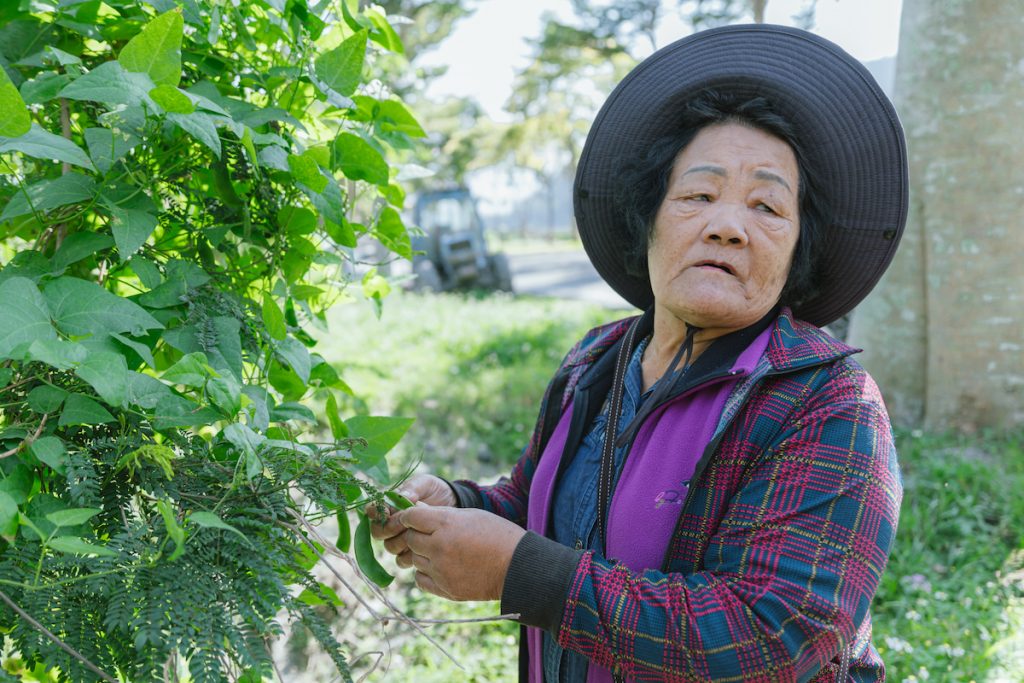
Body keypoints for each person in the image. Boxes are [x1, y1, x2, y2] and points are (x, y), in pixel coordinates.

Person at [371, 24, 906, 682]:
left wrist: (524, 574)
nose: (727, 225)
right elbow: (540, 503)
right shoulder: (597, 361)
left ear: (798, 248)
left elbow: (771, 638)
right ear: (648, 217)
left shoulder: (829, 405)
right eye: (698, 195)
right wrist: (459, 505)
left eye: (767, 205)